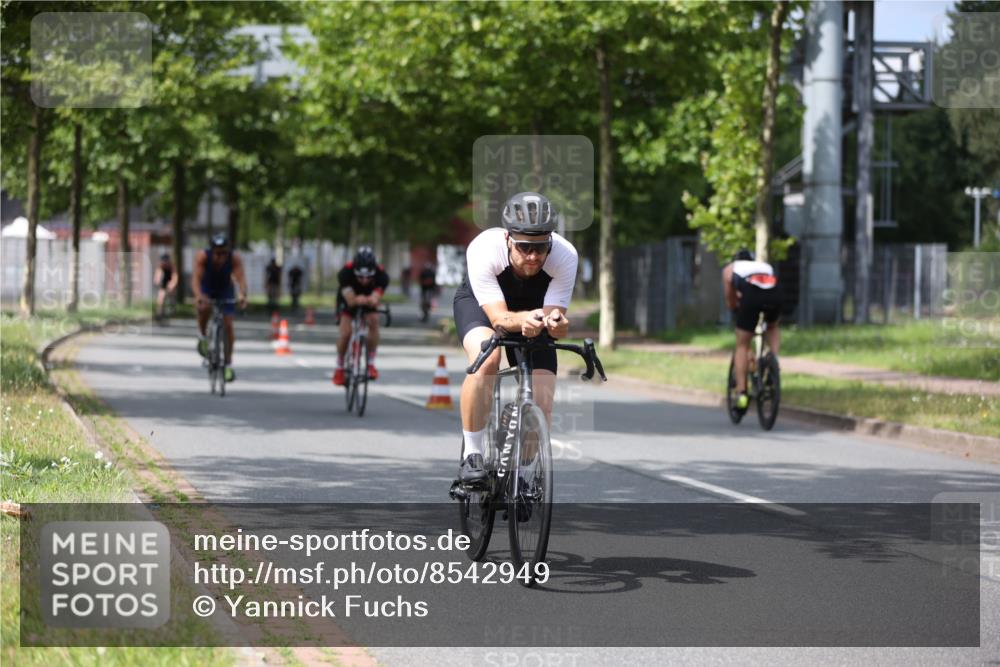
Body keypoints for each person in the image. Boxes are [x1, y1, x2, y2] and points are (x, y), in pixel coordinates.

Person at [453, 192, 578, 483]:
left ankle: (521, 476)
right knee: (488, 357)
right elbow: (500, 320)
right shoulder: (484, 247)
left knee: (542, 400)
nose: (532, 256)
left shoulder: (565, 255)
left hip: (532, 307)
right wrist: (527, 319)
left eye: (540, 247)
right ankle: (472, 455)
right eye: (524, 247)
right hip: (482, 307)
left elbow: (554, 317)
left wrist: (557, 325)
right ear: (508, 238)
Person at [722, 248, 782, 411]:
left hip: (751, 297)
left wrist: (737, 311)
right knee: (772, 325)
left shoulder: (730, 269)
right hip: (774, 294)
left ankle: (742, 394)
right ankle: (773, 362)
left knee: (742, 344)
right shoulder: (764, 266)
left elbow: (731, 301)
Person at [192, 234, 248, 382]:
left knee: (228, 325)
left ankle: (228, 364)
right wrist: (198, 295)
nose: (220, 257)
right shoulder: (203, 257)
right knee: (203, 308)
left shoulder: (234, 258)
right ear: (212, 251)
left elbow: (240, 278)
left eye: (223, 253)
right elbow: (196, 279)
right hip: (207, 288)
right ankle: (203, 336)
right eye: (217, 253)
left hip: (225, 290)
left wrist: (242, 295)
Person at [333, 246, 390, 385]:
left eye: (368, 277)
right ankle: (339, 367)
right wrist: (356, 299)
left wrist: (373, 298)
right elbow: (351, 300)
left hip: (368, 299)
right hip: (347, 300)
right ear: (354, 271)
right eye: (360, 277)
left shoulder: (382, 275)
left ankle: (370, 363)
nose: (364, 280)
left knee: (374, 321)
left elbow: (376, 296)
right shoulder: (345, 273)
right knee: (345, 333)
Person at [154, 253, 179, 321]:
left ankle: (172, 307)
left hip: (170, 282)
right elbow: (157, 277)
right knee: (161, 297)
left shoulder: (172, 267)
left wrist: (172, 285)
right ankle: (159, 313)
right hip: (163, 283)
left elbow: (175, 277)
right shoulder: (160, 267)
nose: (165, 263)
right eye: (163, 261)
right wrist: (157, 282)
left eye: (166, 261)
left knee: (171, 294)